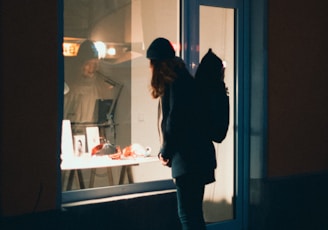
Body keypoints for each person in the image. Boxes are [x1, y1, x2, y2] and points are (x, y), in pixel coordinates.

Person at [146, 37, 217, 230]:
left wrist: (165, 152)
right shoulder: (184, 78)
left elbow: (174, 121)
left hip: (188, 160)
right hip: (199, 157)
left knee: (187, 215)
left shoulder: (175, 83)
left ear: (157, 64)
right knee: (194, 214)